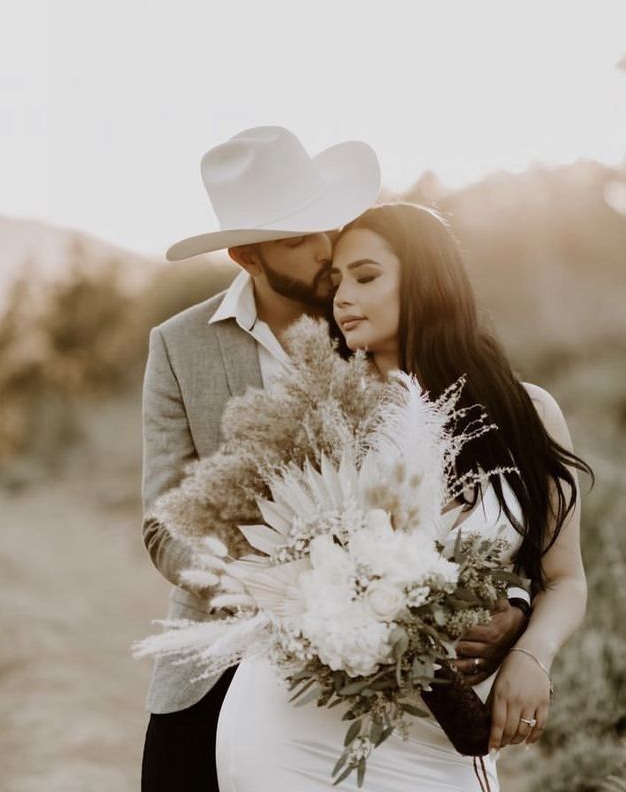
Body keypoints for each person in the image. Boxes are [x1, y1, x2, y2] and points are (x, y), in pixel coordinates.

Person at [140, 130, 530, 791]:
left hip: (391, 668)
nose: (326, 252)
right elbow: (163, 524)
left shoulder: (380, 320)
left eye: (325, 226)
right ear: (246, 256)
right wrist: (275, 588)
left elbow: (485, 491)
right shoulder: (179, 347)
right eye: (296, 240)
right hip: (219, 652)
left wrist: (514, 601)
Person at [215, 202, 593, 791]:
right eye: (335, 282)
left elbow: (565, 578)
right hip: (297, 731)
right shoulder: (320, 417)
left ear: (427, 280)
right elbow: (270, 577)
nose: (342, 297)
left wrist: (531, 653)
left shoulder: (529, 413)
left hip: (445, 735)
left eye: (366, 277)